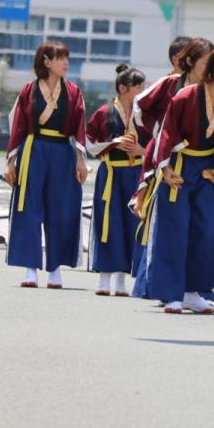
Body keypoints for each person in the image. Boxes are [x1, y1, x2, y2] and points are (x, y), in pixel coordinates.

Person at [143, 49, 214, 314]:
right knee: (174, 230)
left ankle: (193, 292)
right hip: (179, 166)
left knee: (211, 228)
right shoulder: (185, 96)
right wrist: (165, 168)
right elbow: (166, 132)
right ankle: (171, 294)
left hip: (209, 169)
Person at [130, 38, 214, 297]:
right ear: (189, 62)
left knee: (205, 226)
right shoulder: (170, 84)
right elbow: (139, 105)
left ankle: (197, 291)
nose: (210, 67)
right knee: (168, 227)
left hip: (202, 161)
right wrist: (160, 132)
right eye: (206, 61)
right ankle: (159, 288)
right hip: (170, 160)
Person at [5, 41, 87, 289]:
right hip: (33, 150)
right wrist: (11, 162)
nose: (66, 63)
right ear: (47, 62)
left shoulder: (73, 92)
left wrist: (81, 160)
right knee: (29, 209)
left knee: (60, 210)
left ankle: (55, 268)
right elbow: (18, 126)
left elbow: (79, 127)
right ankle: (30, 269)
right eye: (60, 58)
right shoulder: (28, 90)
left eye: (67, 58)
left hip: (62, 153)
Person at [86, 63, 148, 297]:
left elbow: (155, 143)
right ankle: (104, 278)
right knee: (108, 223)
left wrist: (141, 151)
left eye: (143, 86)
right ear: (123, 88)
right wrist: (113, 144)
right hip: (111, 172)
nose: (142, 90)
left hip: (136, 174)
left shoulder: (144, 115)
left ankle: (122, 279)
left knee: (131, 223)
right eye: (138, 86)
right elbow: (88, 142)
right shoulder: (104, 112)